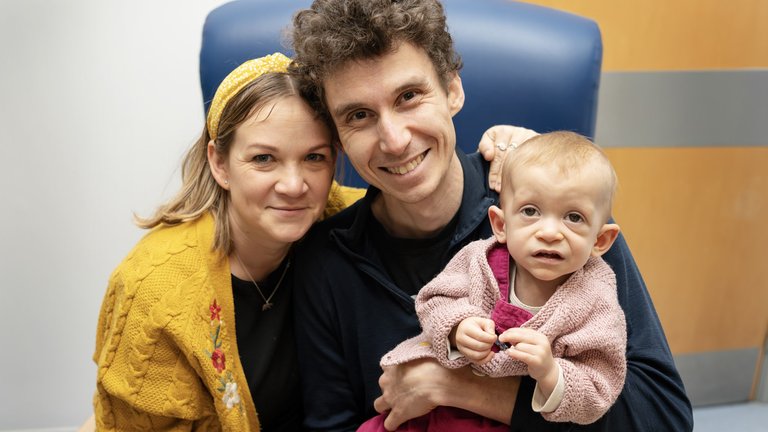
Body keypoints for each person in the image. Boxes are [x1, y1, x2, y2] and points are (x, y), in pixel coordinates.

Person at [289, 0, 693, 431]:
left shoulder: (552, 217)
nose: (394, 140)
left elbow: (663, 417)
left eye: (409, 96)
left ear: (452, 90)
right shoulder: (324, 261)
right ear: (337, 136)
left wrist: (460, 388)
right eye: (359, 115)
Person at [91, 52, 364, 431]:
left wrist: (479, 163)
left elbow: (431, 206)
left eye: (314, 157)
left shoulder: (348, 222)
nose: (293, 186)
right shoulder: (155, 290)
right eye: (264, 158)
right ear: (220, 163)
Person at [359, 132, 627, 432]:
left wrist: (551, 373)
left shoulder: (597, 302)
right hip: (433, 412)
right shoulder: (478, 259)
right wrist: (457, 329)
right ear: (500, 224)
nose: (550, 232)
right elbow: (434, 300)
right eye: (530, 211)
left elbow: (600, 385)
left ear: (601, 240)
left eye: (574, 217)